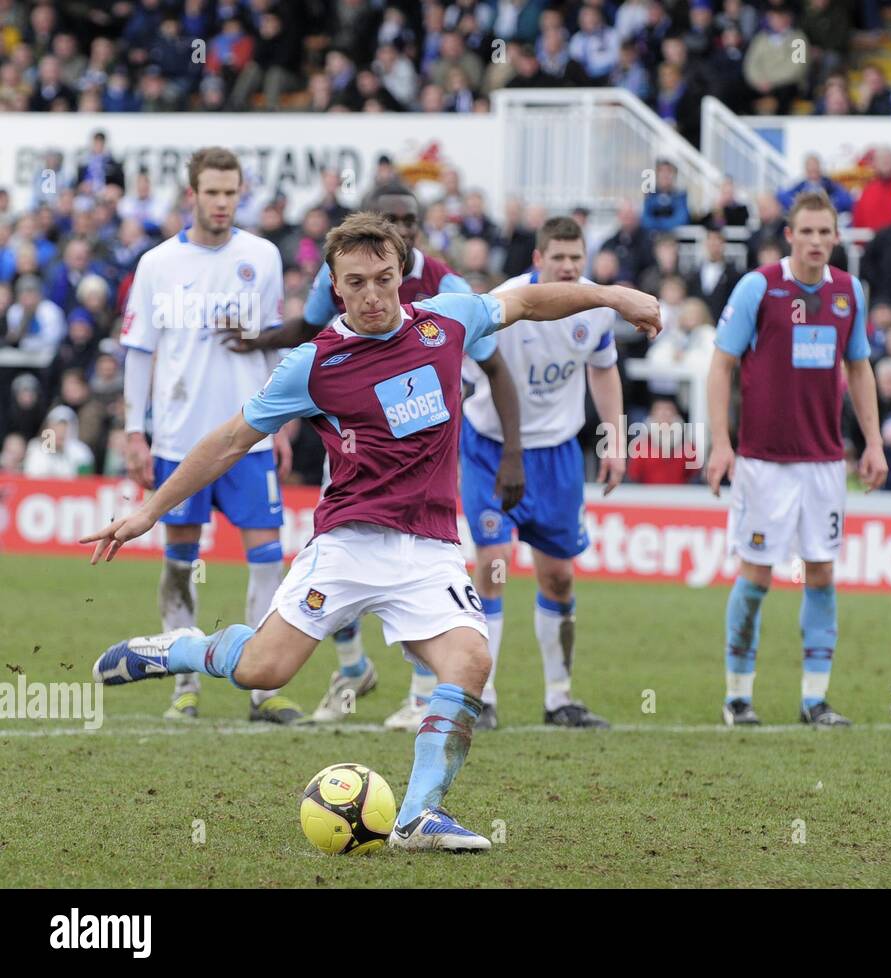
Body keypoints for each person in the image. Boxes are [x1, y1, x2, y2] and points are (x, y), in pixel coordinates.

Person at [83, 212, 661, 852]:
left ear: (400, 274)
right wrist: (148, 512)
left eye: (384, 278)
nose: (372, 295)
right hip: (349, 543)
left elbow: (524, 299)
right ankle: (179, 649)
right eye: (356, 283)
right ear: (335, 287)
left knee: (469, 662)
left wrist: (612, 295)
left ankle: (416, 817)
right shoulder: (314, 366)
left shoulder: (446, 321)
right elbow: (228, 440)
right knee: (263, 672)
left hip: (432, 549)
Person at [229, 185, 526, 729]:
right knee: (336, 568)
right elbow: (306, 329)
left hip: (422, 460)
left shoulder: (448, 291)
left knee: (428, 590)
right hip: (349, 446)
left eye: (409, 220)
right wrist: (256, 342)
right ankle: (351, 667)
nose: (404, 227)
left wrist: (512, 450)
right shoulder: (336, 290)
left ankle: (419, 695)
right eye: (391, 218)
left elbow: (498, 363)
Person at [119, 146, 299, 724]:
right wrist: (133, 430)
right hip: (178, 439)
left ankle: (262, 690)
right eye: (212, 192)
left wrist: (284, 420)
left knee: (268, 558)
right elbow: (139, 352)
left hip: (250, 436)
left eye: (231, 192)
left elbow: (277, 339)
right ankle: (185, 683)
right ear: (191, 194)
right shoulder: (157, 265)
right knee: (178, 562)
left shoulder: (263, 256)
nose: (222, 203)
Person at [705, 190, 887, 727]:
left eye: (823, 232)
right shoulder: (759, 287)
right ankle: (738, 696)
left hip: (825, 463)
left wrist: (873, 442)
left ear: (836, 237)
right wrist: (722, 443)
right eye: (805, 231)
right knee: (757, 575)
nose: (814, 241)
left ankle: (815, 700)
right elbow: (720, 366)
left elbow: (859, 368)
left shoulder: (848, 292)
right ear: (789, 234)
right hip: (763, 461)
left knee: (822, 572)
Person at [459, 216, 628, 730]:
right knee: (493, 564)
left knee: (558, 576)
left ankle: (559, 698)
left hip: (557, 455)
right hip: (492, 448)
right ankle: (481, 695)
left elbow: (602, 368)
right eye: (559, 258)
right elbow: (470, 380)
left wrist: (615, 438)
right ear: (538, 260)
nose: (569, 267)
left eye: (577, 258)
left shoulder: (596, 308)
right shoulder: (507, 306)